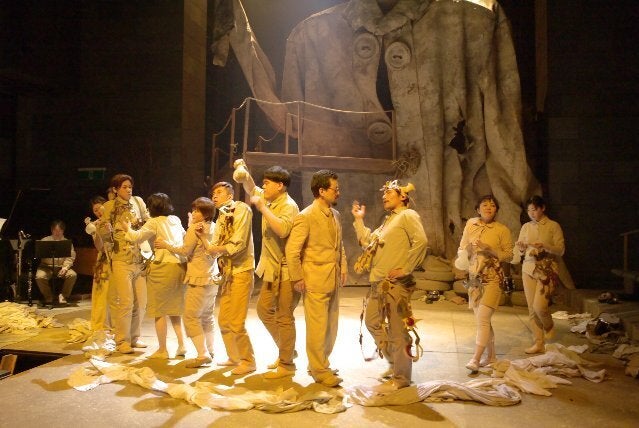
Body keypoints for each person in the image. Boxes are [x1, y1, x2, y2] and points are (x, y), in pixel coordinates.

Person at [351, 180, 427, 391]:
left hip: (396, 285)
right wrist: (359, 220)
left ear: (402, 196)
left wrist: (406, 268)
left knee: (398, 332)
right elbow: (368, 242)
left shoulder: (408, 215)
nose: (384, 196)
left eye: (389, 193)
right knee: (372, 322)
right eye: (383, 193)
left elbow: (421, 241)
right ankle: (394, 361)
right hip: (378, 283)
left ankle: (401, 378)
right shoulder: (388, 221)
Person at [234, 163, 301, 379]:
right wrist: (245, 174)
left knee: (284, 317)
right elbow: (251, 189)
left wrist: (263, 208)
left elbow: (282, 230)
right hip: (272, 269)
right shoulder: (270, 198)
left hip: (287, 270)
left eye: (267, 183)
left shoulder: (288, 205)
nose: (263, 187)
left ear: (280, 185)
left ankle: (287, 364)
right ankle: (287, 350)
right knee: (264, 310)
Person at [285, 169, 347, 387]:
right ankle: (319, 369)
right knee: (317, 328)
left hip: (333, 278)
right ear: (321, 191)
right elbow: (292, 251)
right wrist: (297, 278)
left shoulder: (336, 214)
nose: (338, 192)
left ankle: (321, 363)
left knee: (331, 326)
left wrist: (343, 266)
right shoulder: (306, 216)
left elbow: (339, 244)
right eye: (335, 189)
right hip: (314, 279)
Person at [123, 193, 188, 360]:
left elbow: (136, 237)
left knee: (160, 310)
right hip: (179, 266)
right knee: (175, 310)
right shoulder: (175, 219)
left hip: (162, 267)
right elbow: (184, 237)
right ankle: (182, 345)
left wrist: (127, 228)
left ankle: (162, 350)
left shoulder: (154, 222)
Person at [156, 197, 218, 368]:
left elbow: (184, 251)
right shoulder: (214, 226)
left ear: (206, 213)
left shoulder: (195, 229)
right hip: (212, 277)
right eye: (194, 210)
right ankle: (210, 350)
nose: (195, 213)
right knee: (207, 316)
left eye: (198, 210)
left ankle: (202, 354)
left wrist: (166, 244)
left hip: (198, 277)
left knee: (191, 317)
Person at [202, 182, 256, 375]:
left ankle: (248, 361)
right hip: (227, 273)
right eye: (213, 193)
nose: (214, 196)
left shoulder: (241, 209)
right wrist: (203, 237)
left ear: (230, 195)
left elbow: (238, 243)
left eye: (219, 192)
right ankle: (234, 357)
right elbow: (214, 247)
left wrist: (216, 249)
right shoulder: (222, 216)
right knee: (224, 320)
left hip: (242, 270)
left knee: (236, 322)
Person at [455, 195, 513, 372]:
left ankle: (476, 358)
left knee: (483, 318)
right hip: (475, 279)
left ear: (496, 210)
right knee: (483, 320)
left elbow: (509, 255)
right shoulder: (471, 224)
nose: (489, 208)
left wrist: (490, 249)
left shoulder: (502, 229)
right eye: (485, 205)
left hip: (493, 278)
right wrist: (467, 249)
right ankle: (492, 356)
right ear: (478, 209)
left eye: (493, 205)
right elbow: (462, 248)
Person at [100, 173, 150, 354]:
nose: (129, 190)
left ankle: (134, 337)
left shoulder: (138, 201)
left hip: (139, 258)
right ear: (115, 189)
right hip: (121, 259)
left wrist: (143, 225)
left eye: (130, 186)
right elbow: (105, 236)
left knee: (141, 302)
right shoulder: (109, 206)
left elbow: (148, 222)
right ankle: (122, 340)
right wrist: (106, 230)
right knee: (126, 302)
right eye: (124, 187)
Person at [514, 195, 565, 354]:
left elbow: (561, 250)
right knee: (531, 309)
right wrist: (521, 248)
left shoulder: (553, 226)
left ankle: (549, 325)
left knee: (539, 306)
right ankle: (539, 343)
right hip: (528, 268)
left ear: (542, 208)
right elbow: (520, 251)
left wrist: (545, 246)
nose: (532, 213)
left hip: (547, 269)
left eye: (534, 209)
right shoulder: (526, 227)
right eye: (529, 210)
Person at [84, 195, 111, 331]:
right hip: (104, 259)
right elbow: (99, 247)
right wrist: (95, 233)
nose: (98, 212)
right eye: (95, 210)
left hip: (117, 258)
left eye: (100, 208)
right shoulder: (95, 225)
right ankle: (101, 323)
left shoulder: (114, 219)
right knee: (101, 293)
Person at [35, 220, 77, 307]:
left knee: (72, 275)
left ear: (63, 231)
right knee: (39, 277)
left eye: (60, 230)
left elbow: (70, 257)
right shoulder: (45, 240)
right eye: (55, 230)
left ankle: (63, 296)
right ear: (52, 230)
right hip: (46, 267)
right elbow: (40, 254)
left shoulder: (67, 242)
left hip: (61, 267)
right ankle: (48, 296)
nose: (57, 233)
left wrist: (65, 268)